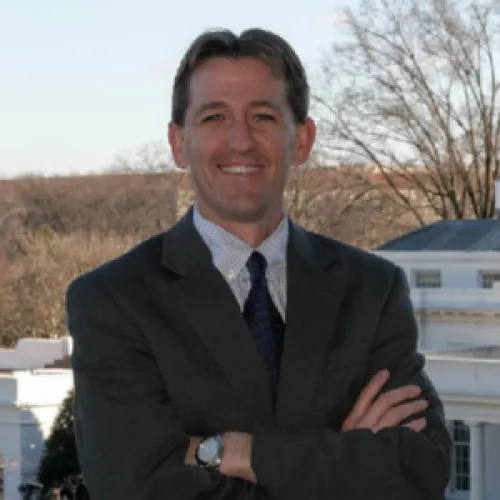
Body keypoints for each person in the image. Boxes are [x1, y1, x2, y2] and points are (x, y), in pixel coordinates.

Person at [66, 28, 451, 500]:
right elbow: (135, 485)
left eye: (263, 117)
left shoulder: (372, 289)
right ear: (178, 143)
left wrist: (236, 452)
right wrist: (341, 459)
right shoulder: (114, 300)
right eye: (213, 117)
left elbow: (423, 465)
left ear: (303, 139)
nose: (240, 141)